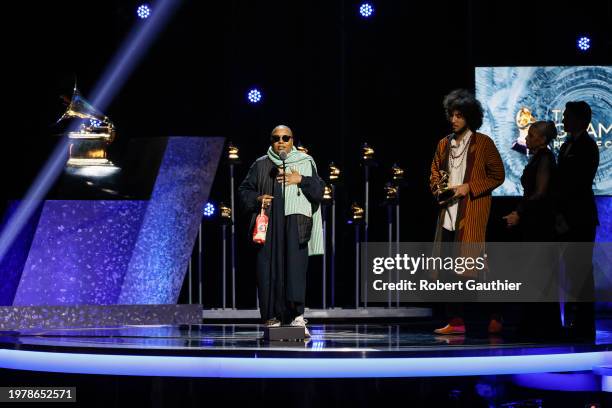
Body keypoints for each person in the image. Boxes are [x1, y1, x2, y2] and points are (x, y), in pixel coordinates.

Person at [430, 89, 505, 335]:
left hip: (472, 215)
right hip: (448, 215)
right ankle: (456, 321)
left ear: (470, 117)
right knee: (449, 271)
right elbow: (434, 174)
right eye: (452, 115)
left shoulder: (483, 143)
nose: (454, 119)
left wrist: (468, 188)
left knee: (476, 270)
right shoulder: (444, 144)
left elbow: (497, 175)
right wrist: (438, 189)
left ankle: (495, 316)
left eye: (459, 115)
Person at [238, 125, 324, 337]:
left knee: (295, 269)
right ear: (271, 141)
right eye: (276, 138)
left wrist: (300, 180)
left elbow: (319, 190)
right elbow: (243, 191)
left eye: (285, 138)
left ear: (292, 140)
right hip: (269, 224)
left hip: (296, 224)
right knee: (268, 269)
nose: (281, 142)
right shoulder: (261, 164)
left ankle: (296, 316)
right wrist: (258, 198)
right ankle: (271, 317)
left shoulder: (305, 162)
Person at [503, 121, 561, 338]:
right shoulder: (537, 157)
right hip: (533, 223)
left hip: (540, 224)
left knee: (539, 274)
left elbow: (541, 193)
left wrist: (519, 212)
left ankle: (541, 328)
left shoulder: (546, 158)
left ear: (543, 139)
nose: (527, 138)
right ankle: (534, 325)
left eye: (532, 135)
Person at [556, 101, 599, 340]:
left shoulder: (588, 146)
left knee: (582, 270)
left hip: (581, 218)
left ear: (581, 120)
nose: (563, 120)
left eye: (567, 116)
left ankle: (585, 325)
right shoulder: (566, 146)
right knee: (572, 271)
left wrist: (565, 212)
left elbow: (578, 183)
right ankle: (574, 323)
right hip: (566, 218)